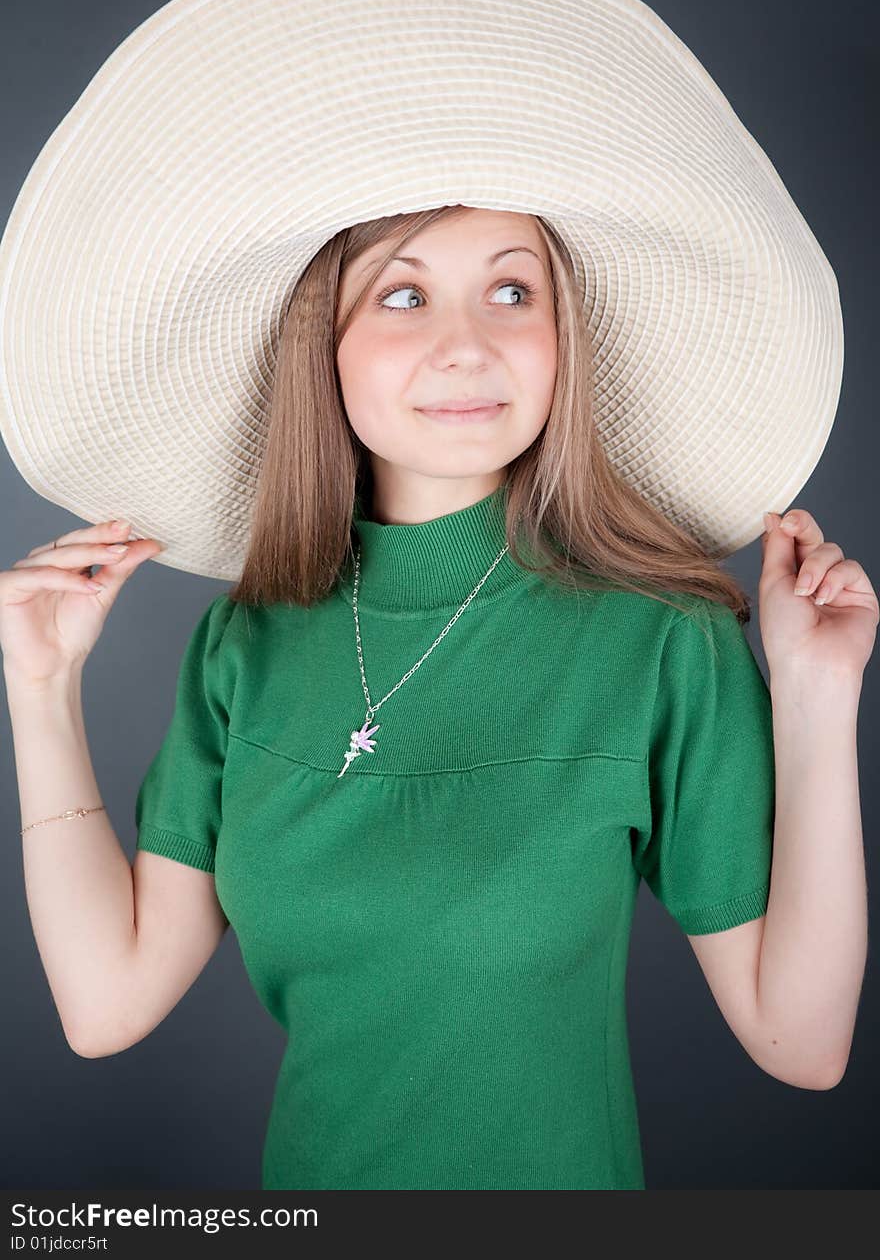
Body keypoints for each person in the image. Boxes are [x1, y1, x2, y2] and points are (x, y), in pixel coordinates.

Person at [4, 203, 872, 1190]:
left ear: (562, 339)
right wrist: (39, 687)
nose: (467, 346)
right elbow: (105, 1003)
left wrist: (816, 693)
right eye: (405, 295)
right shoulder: (245, 643)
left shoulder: (660, 637)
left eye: (512, 291)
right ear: (319, 342)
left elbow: (801, 1043)